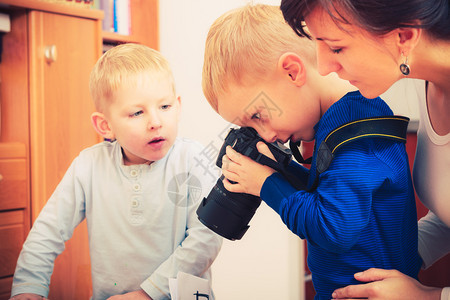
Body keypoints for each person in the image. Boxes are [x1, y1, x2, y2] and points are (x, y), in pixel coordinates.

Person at [201, 4, 421, 300]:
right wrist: (281, 168)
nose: (265, 135)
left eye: (258, 115)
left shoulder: (358, 136)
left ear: (292, 72)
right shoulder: (342, 123)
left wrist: (267, 184)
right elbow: (328, 196)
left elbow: (334, 228)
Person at [10, 43, 222, 300]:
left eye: (164, 107)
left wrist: (146, 294)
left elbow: (205, 240)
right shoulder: (88, 166)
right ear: (105, 125)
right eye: (137, 112)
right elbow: (47, 232)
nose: (155, 122)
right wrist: (28, 288)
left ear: (177, 106)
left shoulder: (193, 159)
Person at [280, 0, 450, 299]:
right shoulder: (430, 85)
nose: (323, 67)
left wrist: (428, 296)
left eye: (336, 48)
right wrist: (393, 260)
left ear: (404, 37)